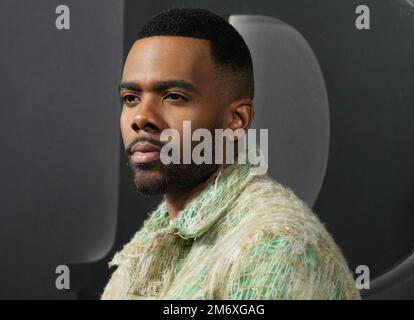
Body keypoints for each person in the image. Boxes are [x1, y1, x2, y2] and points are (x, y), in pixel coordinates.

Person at [101, 8, 361, 300]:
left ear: (236, 120)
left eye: (174, 96)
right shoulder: (148, 248)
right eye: (131, 98)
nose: (141, 117)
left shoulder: (274, 247)